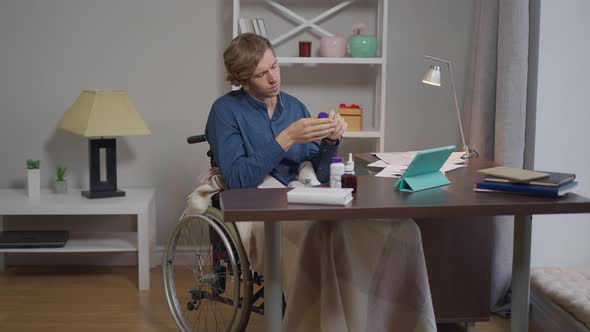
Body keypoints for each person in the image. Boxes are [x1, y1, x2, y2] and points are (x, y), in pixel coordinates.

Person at [205, 33, 436, 332]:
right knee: (323, 232)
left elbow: (322, 173)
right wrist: (287, 138)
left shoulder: (295, 107)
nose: (273, 78)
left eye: (274, 66)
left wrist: (331, 141)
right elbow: (238, 180)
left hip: (306, 193)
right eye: (261, 74)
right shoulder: (225, 111)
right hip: (259, 203)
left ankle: (392, 322)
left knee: (403, 228)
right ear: (241, 79)